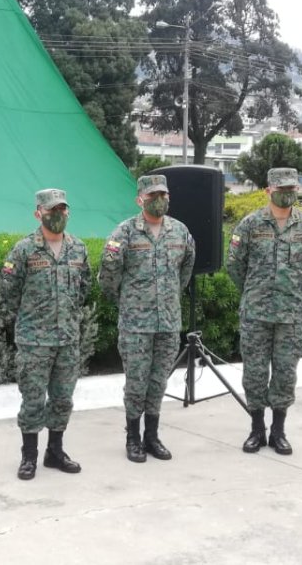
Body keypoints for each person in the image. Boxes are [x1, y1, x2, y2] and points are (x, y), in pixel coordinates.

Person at [226, 168, 302, 455]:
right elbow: (235, 266)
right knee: (254, 373)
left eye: (291, 188)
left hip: (290, 314)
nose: (286, 194)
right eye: (281, 189)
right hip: (256, 312)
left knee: (284, 373)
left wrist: (291, 289)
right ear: (268, 190)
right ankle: (257, 430)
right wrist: (256, 290)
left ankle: (278, 431)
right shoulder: (250, 224)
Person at [99, 174, 195, 463]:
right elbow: (108, 277)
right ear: (139, 199)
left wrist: (167, 298)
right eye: (153, 196)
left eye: (163, 194)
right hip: (135, 324)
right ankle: (133, 438)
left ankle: (152, 436)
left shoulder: (180, 231)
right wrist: (129, 302)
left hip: (167, 321)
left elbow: (185, 270)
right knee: (136, 382)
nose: (159, 200)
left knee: (158, 382)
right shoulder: (124, 232)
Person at [0, 189, 91, 480]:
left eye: (62, 210)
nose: (57, 215)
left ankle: (55, 452)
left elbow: (84, 288)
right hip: (34, 340)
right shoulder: (24, 250)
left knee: (63, 398)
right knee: (33, 400)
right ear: (38, 213)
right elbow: (8, 292)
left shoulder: (78, 248)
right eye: (51, 210)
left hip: (67, 339)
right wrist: (31, 321)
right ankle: (29, 457)